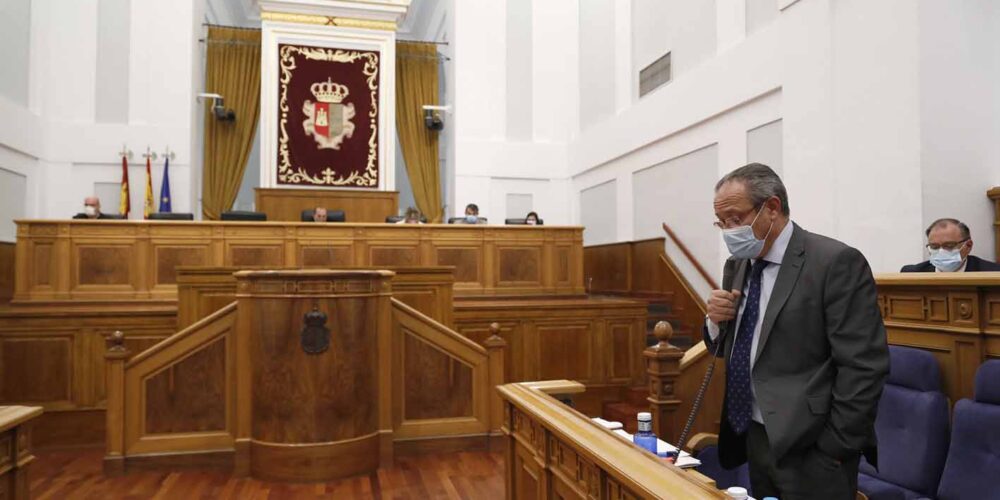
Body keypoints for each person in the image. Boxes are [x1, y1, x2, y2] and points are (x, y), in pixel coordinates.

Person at [704, 163, 888, 500]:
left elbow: (864, 365)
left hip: (812, 444)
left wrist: (834, 447)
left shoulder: (834, 262)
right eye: (722, 223)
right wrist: (715, 322)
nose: (729, 231)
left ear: (771, 208)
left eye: (736, 219)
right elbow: (739, 342)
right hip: (754, 433)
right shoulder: (738, 264)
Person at [900, 218, 1000, 272]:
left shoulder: (993, 273)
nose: (941, 252)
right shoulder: (912, 273)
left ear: (968, 246)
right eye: (934, 247)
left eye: (949, 245)